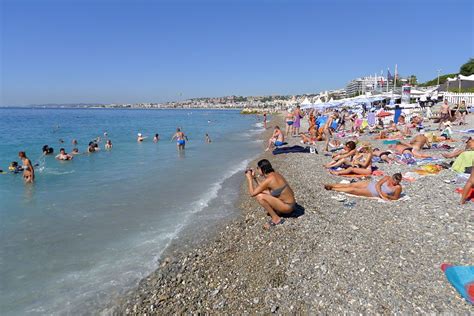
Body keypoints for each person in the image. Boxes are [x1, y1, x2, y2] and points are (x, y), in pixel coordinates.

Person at [245, 159, 296, 229]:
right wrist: (254, 178)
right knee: (263, 192)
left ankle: (276, 219)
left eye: (258, 168)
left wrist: (249, 179)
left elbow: (252, 193)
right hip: (291, 205)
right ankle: (279, 212)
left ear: (262, 169)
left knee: (259, 196)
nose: (257, 170)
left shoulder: (269, 180)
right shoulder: (275, 175)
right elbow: (263, 188)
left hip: (288, 207)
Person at [324, 173, 403, 201]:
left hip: (372, 192)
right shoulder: (387, 178)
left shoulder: (398, 188)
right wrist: (382, 194)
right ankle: (332, 185)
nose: (395, 183)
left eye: (397, 182)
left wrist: (388, 196)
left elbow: (396, 198)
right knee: (351, 185)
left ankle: (333, 188)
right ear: (392, 177)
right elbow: (378, 184)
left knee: (353, 190)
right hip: (371, 185)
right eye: (395, 180)